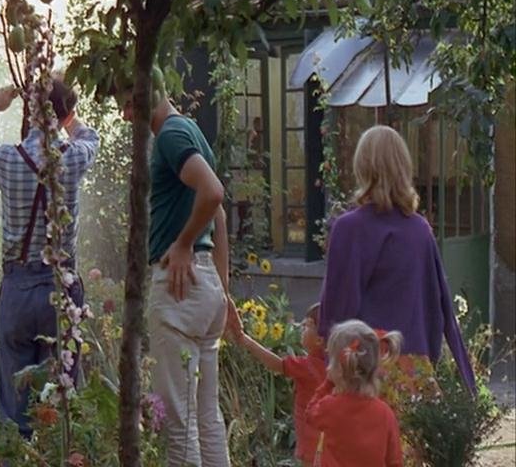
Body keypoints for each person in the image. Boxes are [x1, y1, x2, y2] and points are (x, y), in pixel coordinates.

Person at [0, 81, 99, 438]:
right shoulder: (74, 158)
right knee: (61, 402)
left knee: (15, 405)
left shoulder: (7, 159)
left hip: (18, 291)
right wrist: (68, 115)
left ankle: (17, 453)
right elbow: (90, 137)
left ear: (30, 113)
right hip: (62, 291)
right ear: (62, 115)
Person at [120, 69, 234, 467]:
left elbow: (213, 192)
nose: (124, 115)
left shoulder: (170, 134)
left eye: (128, 104)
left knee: (180, 425)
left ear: (147, 93)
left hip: (180, 287)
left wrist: (183, 243)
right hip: (205, 285)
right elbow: (219, 215)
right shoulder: (190, 129)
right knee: (207, 417)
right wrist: (223, 290)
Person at [318, 125, 476, 396]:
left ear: (362, 167)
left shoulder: (350, 228)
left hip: (365, 372)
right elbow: (437, 306)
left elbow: (338, 307)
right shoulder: (419, 230)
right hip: (414, 374)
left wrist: (330, 366)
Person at [227, 303, 326, 467]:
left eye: (307, 325)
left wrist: (246, 340)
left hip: (310, 441)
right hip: (330, 441)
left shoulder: (306, 366)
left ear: (319, 339)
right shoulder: (337, 368)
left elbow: (278, 365)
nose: (301, 327)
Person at [306, 319, 404, 467]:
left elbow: (310, 414)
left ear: (339, 369)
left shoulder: (329, 407)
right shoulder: (385, 413)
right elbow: (394, 462)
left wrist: (328, 383)